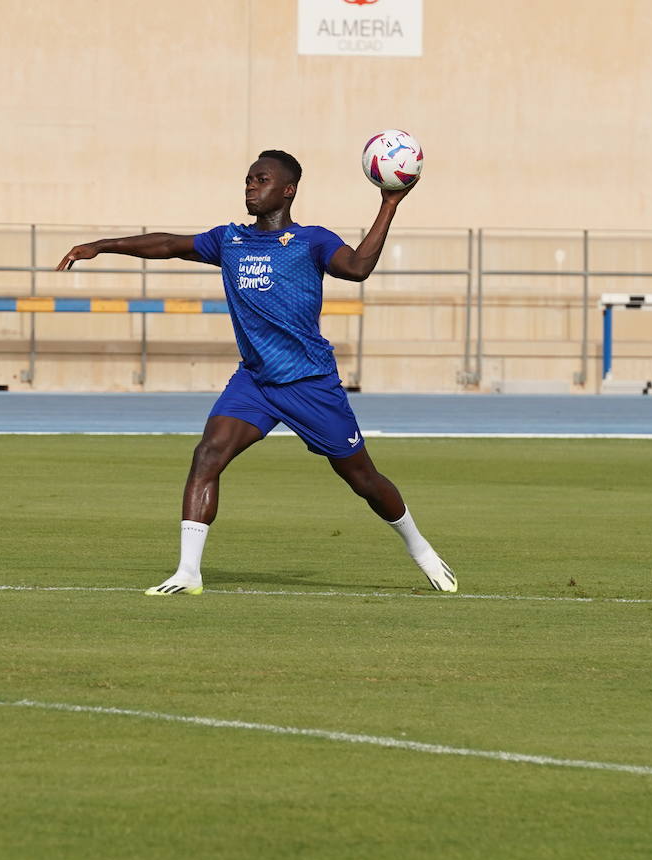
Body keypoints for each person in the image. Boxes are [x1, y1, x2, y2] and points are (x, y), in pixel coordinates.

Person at [56, 149, 456, 596]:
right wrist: (102, 246)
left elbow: (358, 268)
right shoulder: (229, 241)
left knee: (362, 479)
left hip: (309, 383)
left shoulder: (312, 241)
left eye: (260, 179)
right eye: (248, 179)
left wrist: (389, 203)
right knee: (208, 455)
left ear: (287, 191)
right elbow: (169, 245)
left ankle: (420, 549)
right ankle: (188, 573)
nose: (250, 186)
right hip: (255, 382)